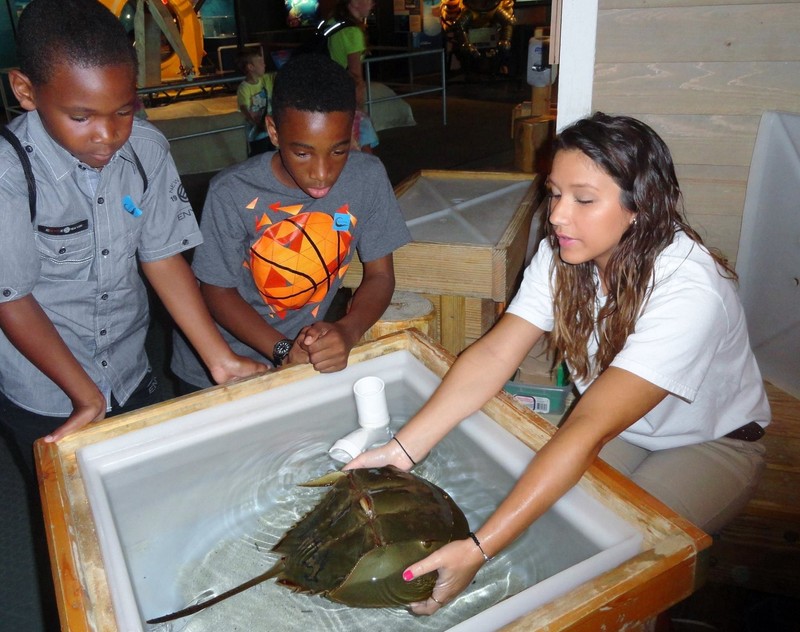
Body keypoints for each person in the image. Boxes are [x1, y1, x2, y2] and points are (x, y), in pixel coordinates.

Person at [346, 112, 770, 614]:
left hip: (711, 444)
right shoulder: (565, 253)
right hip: (625, 431)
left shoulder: (690, 291)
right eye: (554, 193)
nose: (558, 216)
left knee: (607, 561)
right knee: (537, 523)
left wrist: (479, 550)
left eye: (584, 199)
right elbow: (496, 352)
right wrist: (403, 449)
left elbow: (586, 427)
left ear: (641, 206)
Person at [0, 0, 266, 479]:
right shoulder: (8, 174)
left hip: (129, 369)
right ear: (25, 90)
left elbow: (162, 256)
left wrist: (220, 360)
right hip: (47, 388)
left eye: (123, 110)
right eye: (81, 117)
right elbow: (12, 300)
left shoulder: (146, 148)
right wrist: (85, 395)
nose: (107, 135)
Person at [170, 53, 411, 391]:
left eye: (338, 151)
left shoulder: (367, 178)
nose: (322, 172)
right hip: (216, 366)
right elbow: (216, 290)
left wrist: (348, 329)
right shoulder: (231, 192)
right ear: (273, 131)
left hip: (299, 360)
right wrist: (281, 349)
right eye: (303, 153)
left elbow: (381, 275)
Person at [326, 0, 380, 152]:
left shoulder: (332, 23)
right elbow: (355, 76)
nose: (372, 4)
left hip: (328, 93)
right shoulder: (353, 32)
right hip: (346, 96)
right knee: (364, 146)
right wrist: (360, 107)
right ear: (355, 3)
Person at [236, 49, 276, 156]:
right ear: (251, 67)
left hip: (269, 129)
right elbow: (244, 107)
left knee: (272, 156)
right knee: (260, 157)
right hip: (256, 133)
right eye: (260, 62)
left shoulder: (265, 79)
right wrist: (257, 124)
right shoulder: (244, 88)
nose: (264, 65)